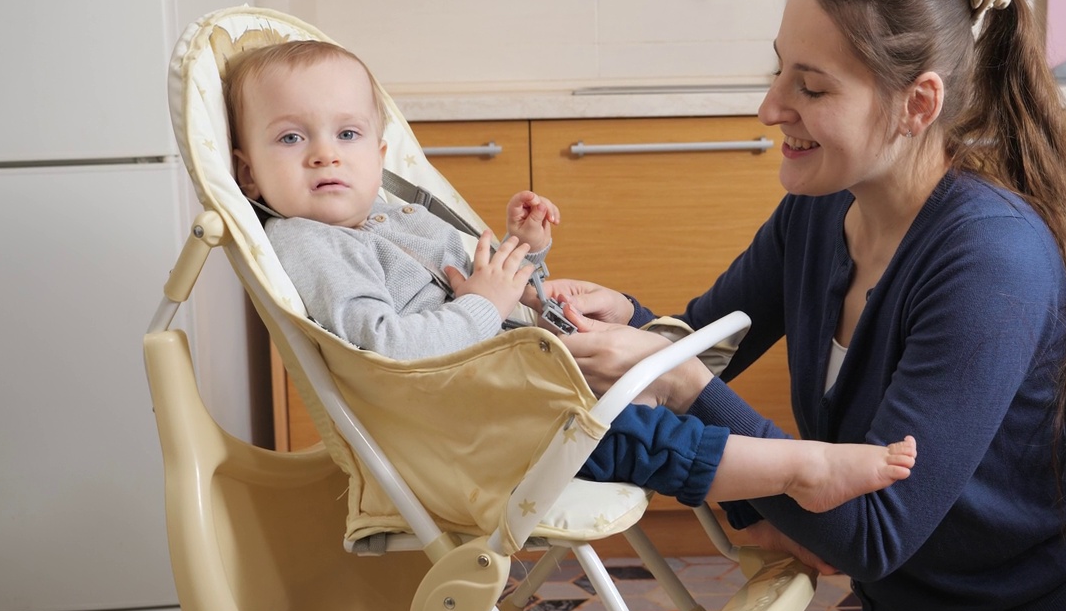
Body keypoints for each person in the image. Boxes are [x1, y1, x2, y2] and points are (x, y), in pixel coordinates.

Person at [546, 0, 1066, 611]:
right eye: (779, 71)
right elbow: (710, 346)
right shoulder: (817, 213)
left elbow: (874, 533)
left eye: (811, 87)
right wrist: (631, 320)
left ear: (917, 104)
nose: (770, 107)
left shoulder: (991, 258)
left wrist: (681, 382)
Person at [223, 38, 916, 515]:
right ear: (248, 169)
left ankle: (762, 504)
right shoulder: (309, 244)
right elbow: (384, 349)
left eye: (345, 136)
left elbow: (486, 280)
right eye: (291, 138)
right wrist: (489, 308)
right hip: (461, 426)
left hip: (508, 378)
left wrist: (524, 252)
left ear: (378, 152)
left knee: (648, 374)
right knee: (631, 436)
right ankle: (799, 472)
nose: (323, 157)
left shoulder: (389, 213)